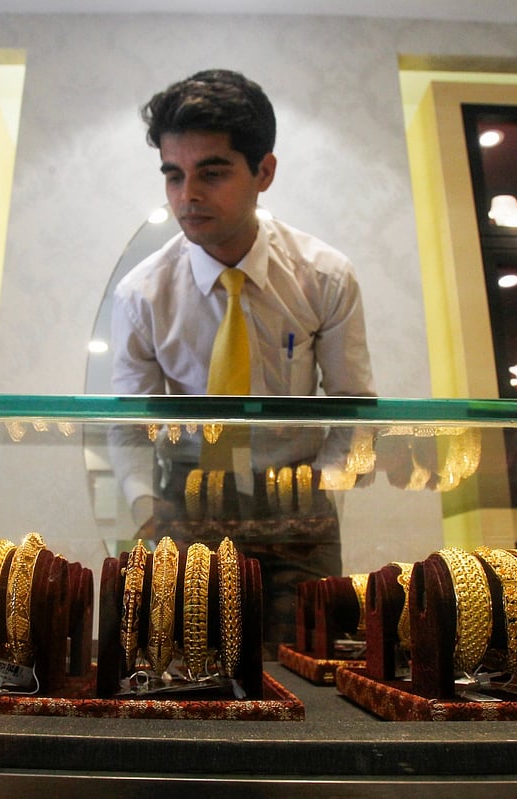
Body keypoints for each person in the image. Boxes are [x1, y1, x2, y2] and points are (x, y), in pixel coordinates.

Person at [108, 69, 376, 649]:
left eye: (212, 172)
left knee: (310, 678)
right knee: (183, 680)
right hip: (184, 497)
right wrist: (147, 512)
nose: (188, 196)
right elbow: (127, 423)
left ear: (265, 173)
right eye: (173, 176)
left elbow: (355, 404)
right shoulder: (141, 293)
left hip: (299, 500)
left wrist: (322, 490)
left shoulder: (323, 276)